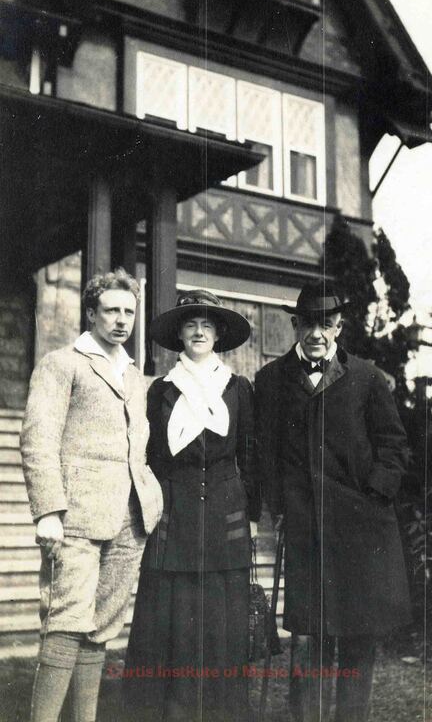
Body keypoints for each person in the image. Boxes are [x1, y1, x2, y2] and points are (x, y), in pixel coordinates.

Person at [255, 280, 411, 722]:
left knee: (358, 641)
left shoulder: (365, 377)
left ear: (339, 327)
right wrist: (280, 507)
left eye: (325, 324)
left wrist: (374, 495)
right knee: (308, 639)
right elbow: (266, 454)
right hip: (307, 531)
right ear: (295, 326)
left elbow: (395, 446)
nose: (316, 333)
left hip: (362, 532)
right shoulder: (270, 380)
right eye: (307, 324)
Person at [20, 268, 163, 722]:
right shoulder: (63, 363)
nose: (121, 320)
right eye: (111, 310)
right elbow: (38, 437)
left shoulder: (133, 374)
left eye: (128, 311)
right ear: (90, 313)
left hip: (129, 518)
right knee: (67, 620)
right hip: (77, 515)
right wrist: (48, 510)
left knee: (102, 626)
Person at [124, 289, 261, 722]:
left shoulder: (238, 389)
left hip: (225, 516)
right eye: (190, 323)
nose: (198, 331)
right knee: (174, 623)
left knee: (223, 626)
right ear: (179, 334)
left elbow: (251, 456)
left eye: (207, 324)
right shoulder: (161, 390)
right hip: (175, 515)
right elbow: (148, 457)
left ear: (218, 333)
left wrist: (253, 517)